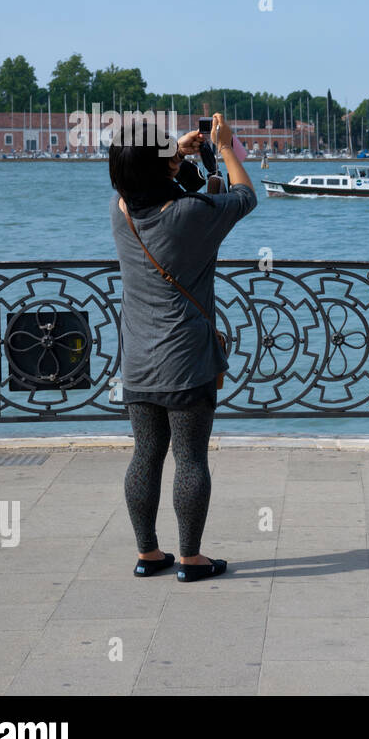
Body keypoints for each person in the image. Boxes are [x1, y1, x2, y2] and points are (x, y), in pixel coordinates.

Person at [110, 112, 257, 583]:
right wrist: (227, 146)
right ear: (164, 167)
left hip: (137, 357)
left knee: (146, 455)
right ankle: (191, 559)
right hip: (185, 359)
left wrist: (174, 153)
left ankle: (148, 554)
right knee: (191, 458)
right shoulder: (188, 216)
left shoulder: (121, 210)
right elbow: (244, 196)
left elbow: (151, 180)